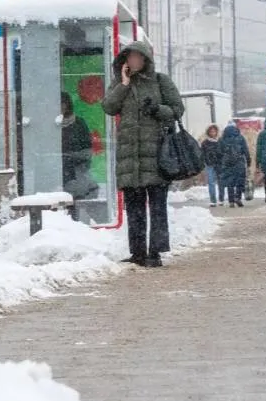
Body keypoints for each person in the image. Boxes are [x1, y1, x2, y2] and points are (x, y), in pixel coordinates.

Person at [102, 40, 184, 268]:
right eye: (130, 57)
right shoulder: (121, 82)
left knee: (157, 207)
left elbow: (177, 109)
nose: (134, 61)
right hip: (130, 157)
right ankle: (137, 252)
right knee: (135, 208)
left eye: (138, 57)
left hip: (156, 155)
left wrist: (158, 110)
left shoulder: (160, 81)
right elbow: (108, 107)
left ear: (146, 59)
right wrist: (124, 84)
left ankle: (155, 252)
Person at [60, 92, 97, 200]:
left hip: (77, 170)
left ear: (68, 104)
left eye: (63, 103)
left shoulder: (79, 123)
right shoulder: (49, 125)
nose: (61, 107)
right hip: (55, 171)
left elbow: (87, 149)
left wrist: (71, 157)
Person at [218, 123, 250, 207]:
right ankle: (238, 197)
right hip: (239, 161)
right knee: (240, 180)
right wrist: (248, 161)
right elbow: (245, 150)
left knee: (230, 182)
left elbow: (219, 152)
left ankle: (231, 201)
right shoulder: (240, 138)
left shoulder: (222, 139)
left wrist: (222, 161)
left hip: (227, 162)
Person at [200, 124, 224, 207]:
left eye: (214, 131)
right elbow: (202, 154)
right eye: (211, 131)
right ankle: (213, 200)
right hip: (209, 165)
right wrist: (206, 161)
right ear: (208, 132)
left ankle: (221, 199)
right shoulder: (205, 143)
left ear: (217, 132)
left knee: (221, 182)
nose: (213, 133)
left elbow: (224, 152)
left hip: (219, 164)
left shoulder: (220, 141)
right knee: (211, 182)